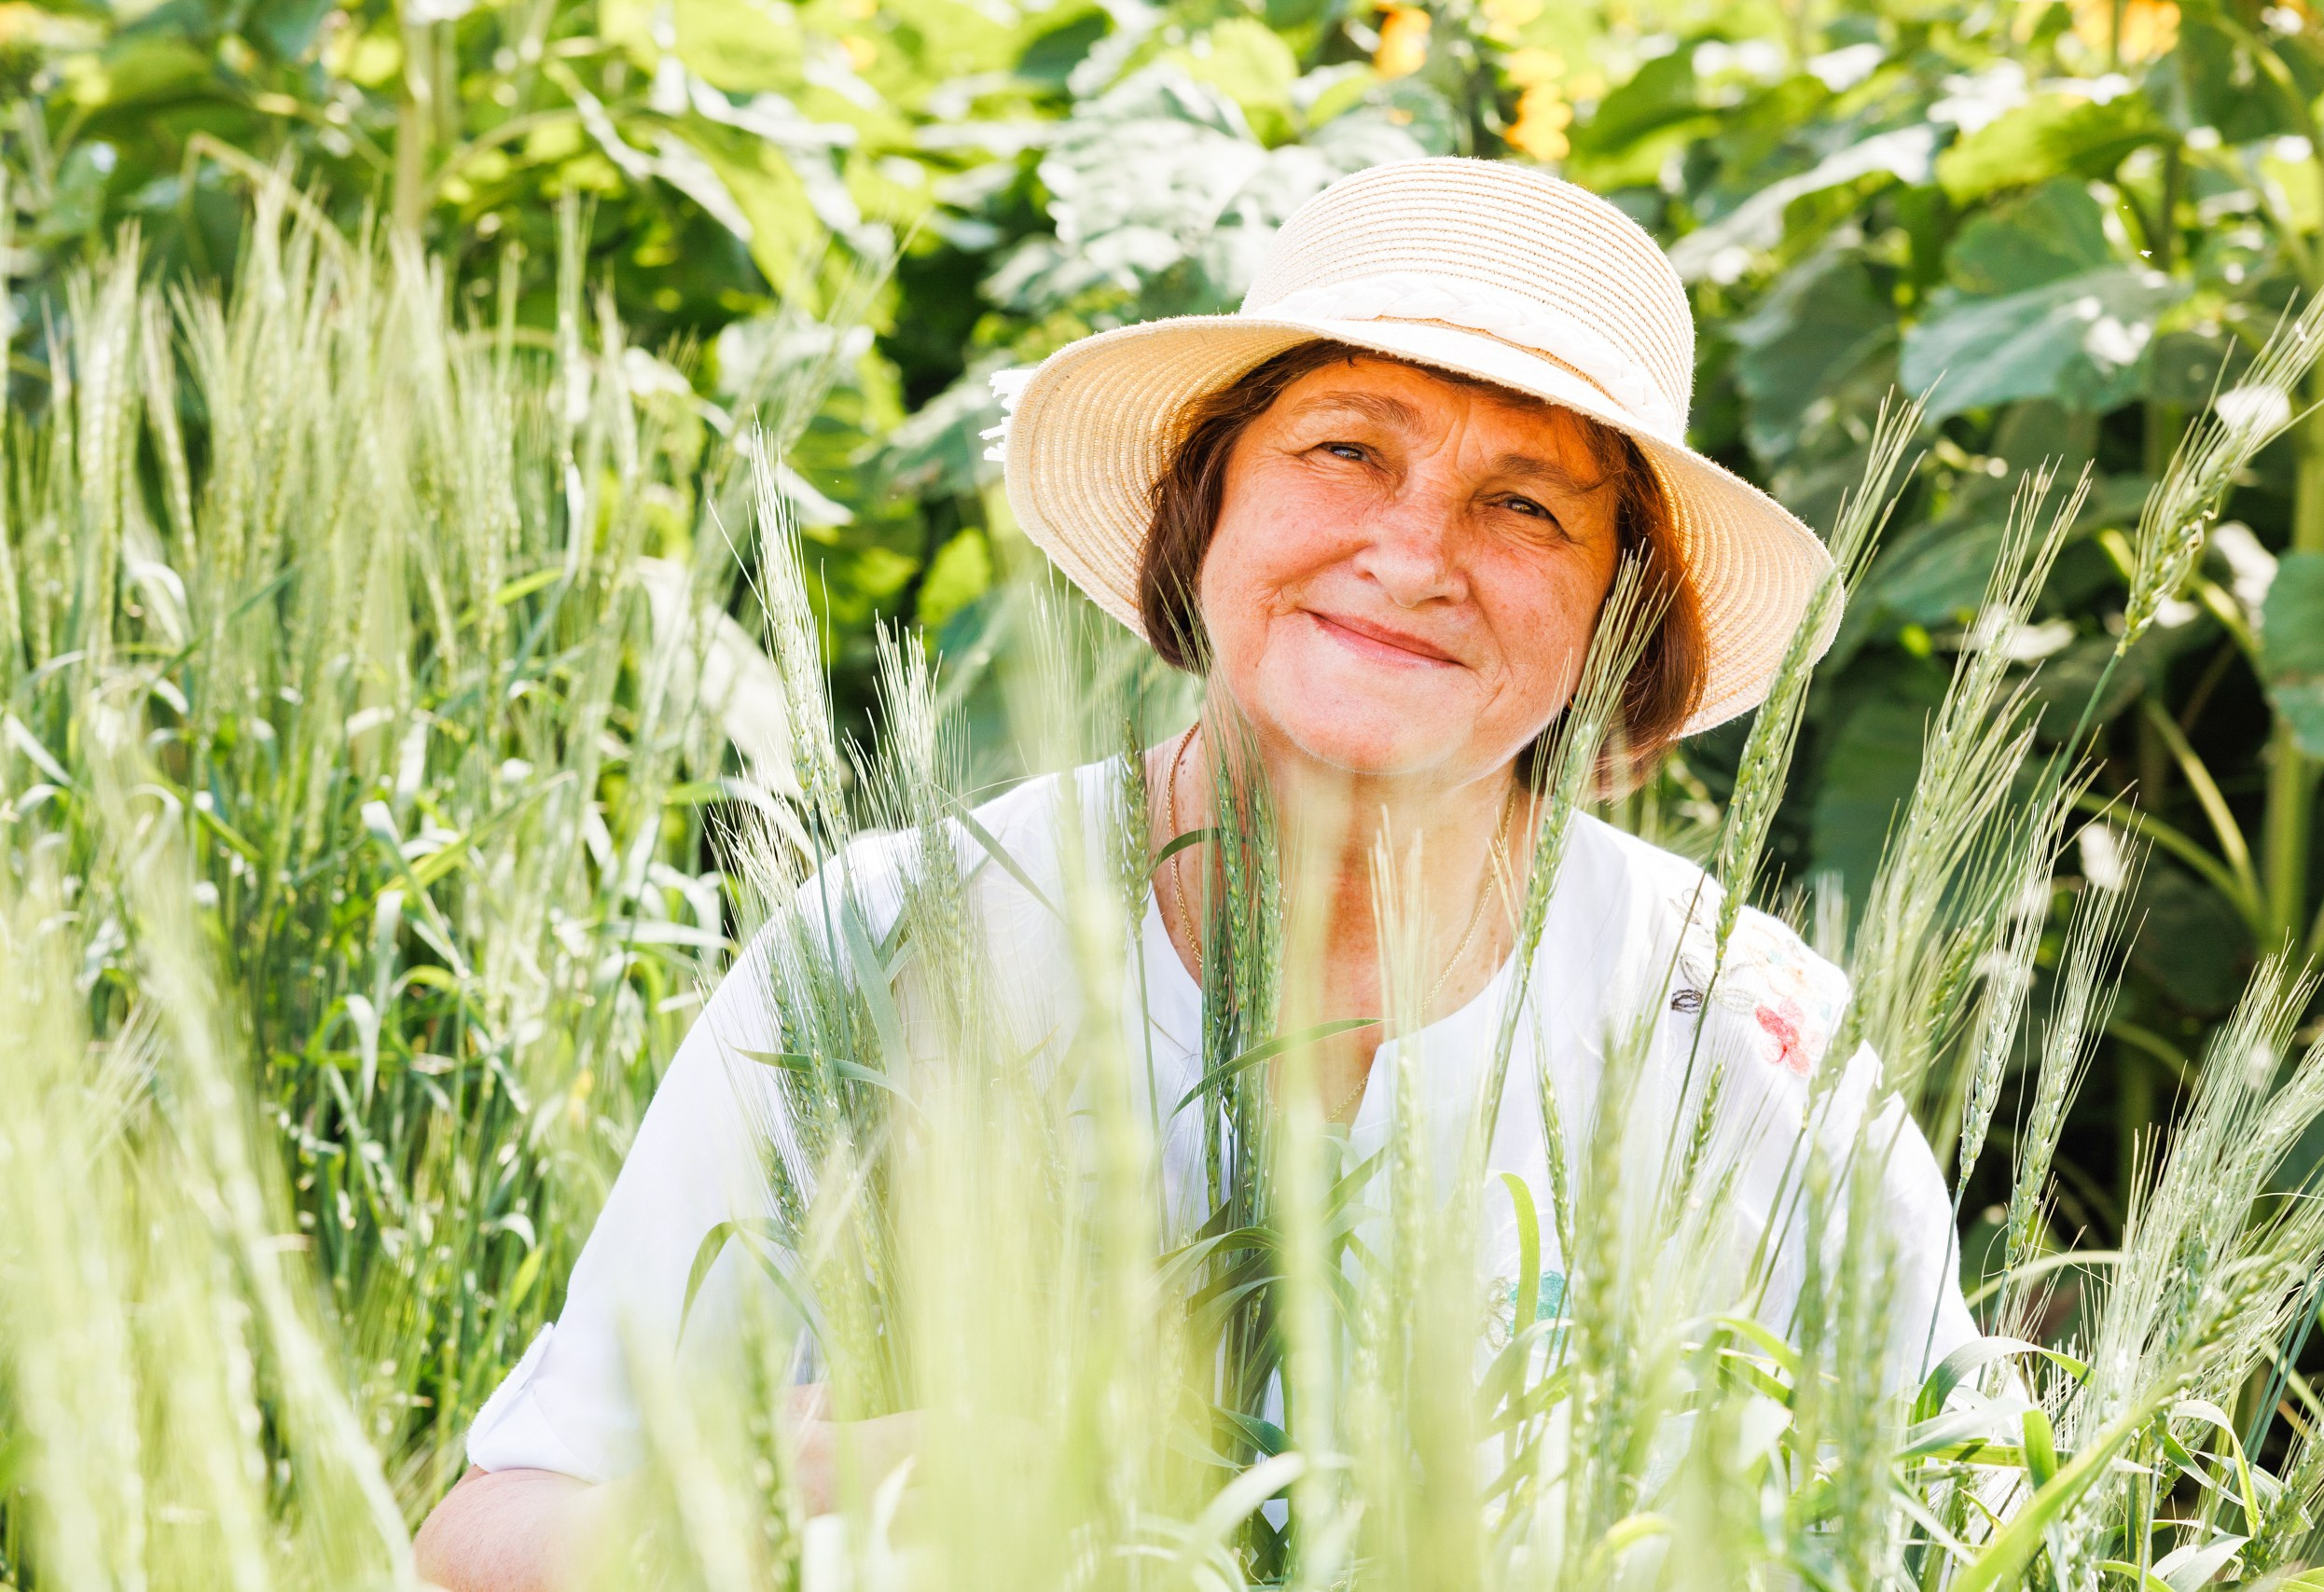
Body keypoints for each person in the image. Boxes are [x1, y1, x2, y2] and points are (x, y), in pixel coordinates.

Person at [413, 157, 1976, 1590]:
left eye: (1526, 504)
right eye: (1348, 449)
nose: (1416, 551)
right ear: (1205, 499)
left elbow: (1951, 1531)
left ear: (1617, 615)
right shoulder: (901, 948)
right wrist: (862, 1483)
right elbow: (485, 1544)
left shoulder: (1738, 1042)